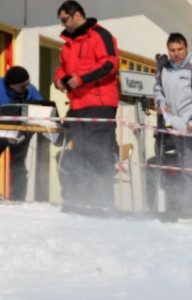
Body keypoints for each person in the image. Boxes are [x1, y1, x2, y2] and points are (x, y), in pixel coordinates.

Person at [54, 1, 120, 211]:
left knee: (98, 154)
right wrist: (59, 80)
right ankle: (81, 200)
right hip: (77, 106)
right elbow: (62, 68)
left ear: (76, 15)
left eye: (65, 19)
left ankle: (104, 202)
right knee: (78, 155)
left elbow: (110, 64)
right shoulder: (67, 45)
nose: (63, 24)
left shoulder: (100, 35)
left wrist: (81, 79)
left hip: (99, 104)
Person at [153, 32, 192, 220]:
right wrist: (160, 103)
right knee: (184, 166)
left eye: (180, 49)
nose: (176, 53)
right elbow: (158, 89)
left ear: (186, 48)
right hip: (176, 125)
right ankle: (188, 208)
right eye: (172, 50)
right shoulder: (165, 68)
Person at [0, 66, 46, 201]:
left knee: (18, 164)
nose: (27, 87)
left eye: (28, 83)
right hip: (1, 132)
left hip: (21, 132)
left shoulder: (30, 89)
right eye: (22, 86)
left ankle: (18, 199)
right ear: (11, 85)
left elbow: (43, 109)